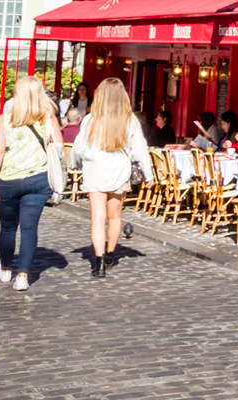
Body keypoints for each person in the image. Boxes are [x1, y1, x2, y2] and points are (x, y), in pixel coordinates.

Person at [0, 76, 65, 291]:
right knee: (30, 228)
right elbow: (58, 147)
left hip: (8, 179)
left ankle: (5, 269)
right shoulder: (48, 117)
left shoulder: (5, 118)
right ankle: (22, 276)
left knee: (8, 228)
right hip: (37, 179)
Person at [71, 78, 155, 279]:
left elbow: (78, 146)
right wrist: (149, 173)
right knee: (115, 216)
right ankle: (110, 254)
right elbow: (140, 148)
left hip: (94, 170)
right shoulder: (130, 120)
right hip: (119, 171)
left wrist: (73, 164)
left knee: (97, 218)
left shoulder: (91, 119)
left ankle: (98, 262)